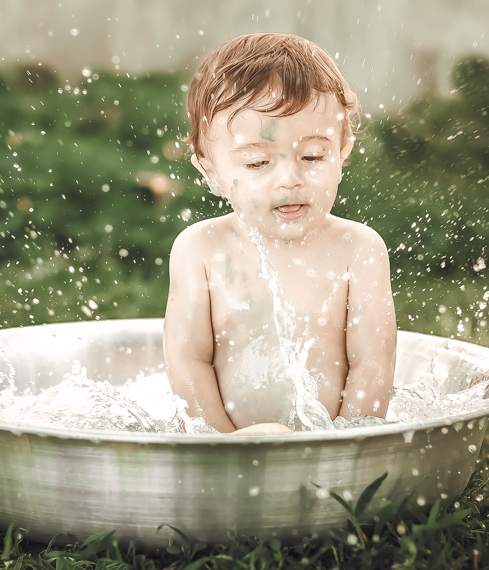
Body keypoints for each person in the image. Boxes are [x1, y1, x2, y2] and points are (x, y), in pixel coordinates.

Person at [163, 33, 396, 434]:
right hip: (226, 447)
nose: (290, 179)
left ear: (343, 151)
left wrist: (341, 446)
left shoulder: (358, 250)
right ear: (210, 170)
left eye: (312, 156)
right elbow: (188, 362)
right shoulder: (199, 250)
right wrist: (221, 445)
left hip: (327, 442)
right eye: (257, 163)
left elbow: (373, 365)